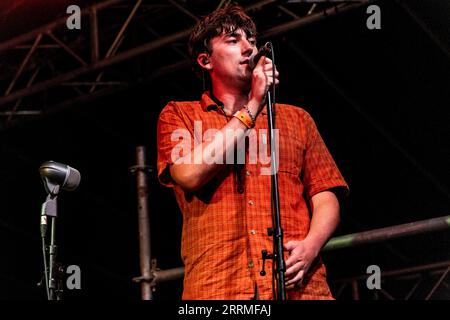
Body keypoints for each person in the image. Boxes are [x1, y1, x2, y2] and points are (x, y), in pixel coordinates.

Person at [157, 4, 348, 300]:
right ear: (206, 60)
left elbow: (325, 195)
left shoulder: (297, 119)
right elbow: (189, 174)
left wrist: (311, 246)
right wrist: (253, 106)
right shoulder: (179, 115)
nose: (248, 48)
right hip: (218, 290)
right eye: (233, 41)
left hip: (302, 289)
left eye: (252, 40)